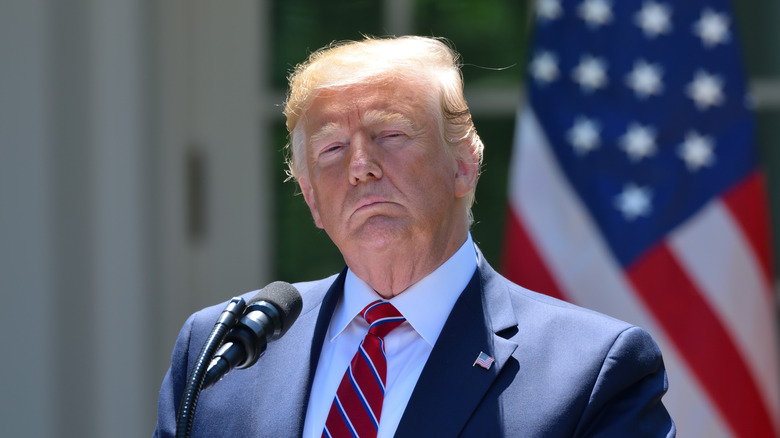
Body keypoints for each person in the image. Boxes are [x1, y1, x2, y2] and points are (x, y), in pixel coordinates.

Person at [154, 35, 675, 437]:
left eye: (392, 135)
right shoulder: (224, 350)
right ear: (313, 199)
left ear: (464, 165)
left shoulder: (593, 369)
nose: (361, 166)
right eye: (332, 150)